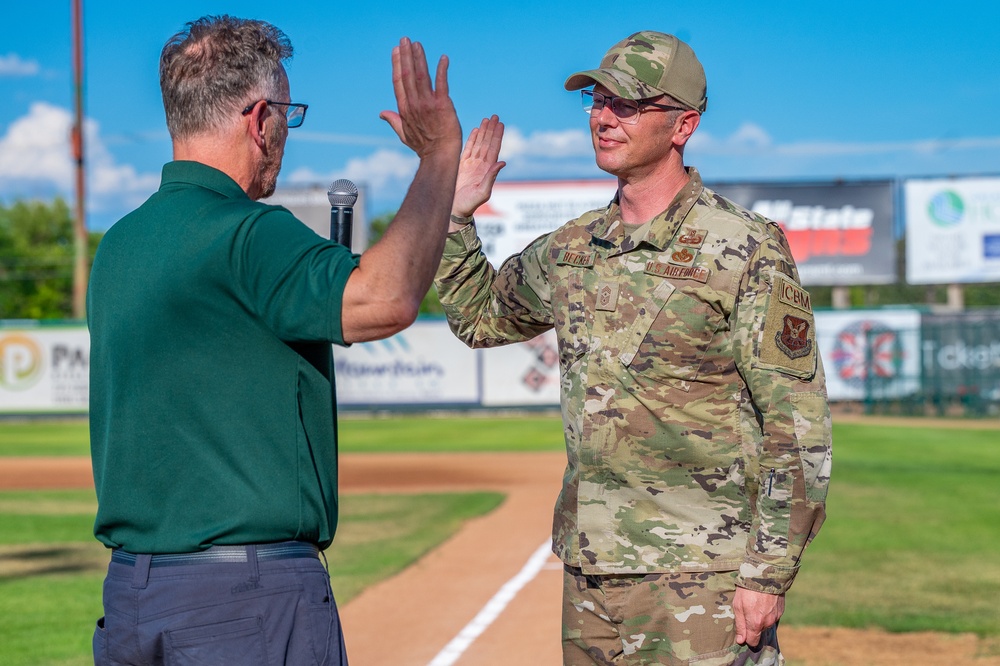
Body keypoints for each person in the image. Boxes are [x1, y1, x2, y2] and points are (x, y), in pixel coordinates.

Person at [436, 31, 832, 665]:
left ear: (683, 125)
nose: (602, 115)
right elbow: (481, 317)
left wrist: (766, 574)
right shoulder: (572, 248)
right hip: (591, 571)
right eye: (597, 99)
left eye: (626, 103)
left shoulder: (743, 247)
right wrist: (454, 217)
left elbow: (797, 424)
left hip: (703, 576)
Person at [87, 15, 461, 665]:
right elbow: (386, 298)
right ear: (260, 119)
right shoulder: (251, 233)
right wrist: (439, 159)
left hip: (132, 597)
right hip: (244, 598)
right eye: (288, 115)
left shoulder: (118, 245)